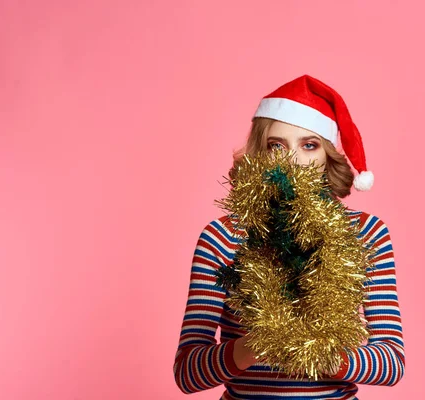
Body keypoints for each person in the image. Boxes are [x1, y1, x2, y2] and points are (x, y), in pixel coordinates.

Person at [173, 75, 405, 399]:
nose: (293, 160)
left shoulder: (367, 234)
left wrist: (313, 349)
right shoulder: (222, 237)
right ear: (262, 154)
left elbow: (392, 361)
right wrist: (261, 342)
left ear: (326, 155)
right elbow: (187, 373)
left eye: (309, 145)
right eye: (276, 145)